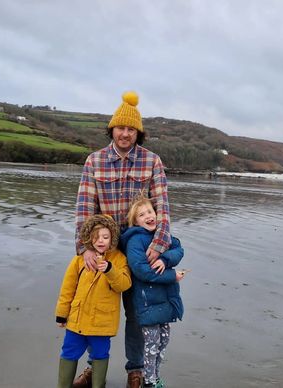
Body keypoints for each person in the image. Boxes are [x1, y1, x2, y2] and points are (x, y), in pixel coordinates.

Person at [74, 91, 171, 388]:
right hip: (104, 251)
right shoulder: (95, 161)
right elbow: (84, 210)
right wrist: (85, 249)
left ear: (138, 133)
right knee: (97, 310)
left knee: (136, 314)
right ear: (112, 129)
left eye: (131, 129)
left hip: (139, 251)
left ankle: (136, 370)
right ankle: (94, 367)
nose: (125, 133)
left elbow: (164, 210)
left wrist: (156, 249)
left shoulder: (153, 162)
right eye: (120, 128)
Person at [55, 214, 132, 388]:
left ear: (112, 237)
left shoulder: (119, 259)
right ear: (89, 238)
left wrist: (110, 270)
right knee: (68, 352)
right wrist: (61, 314)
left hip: (102, 323)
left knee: (100, 354)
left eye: (105, 237)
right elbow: (67, 289)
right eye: (96, 237)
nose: (100, 241)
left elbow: (124, 284)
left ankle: (98, 384)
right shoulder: (79, 259)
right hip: (77, 319)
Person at [120, 197, 185, 388]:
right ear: (135, 222)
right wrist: (171, 275)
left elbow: (179, 249)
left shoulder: (162, 235)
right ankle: (148, 382)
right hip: (147, 302)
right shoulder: (135, 240)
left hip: (165, 299)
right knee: (151, 345)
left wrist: (165, 260)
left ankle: (155, 377)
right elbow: (141, 271)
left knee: (163, 341)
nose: (148, 216)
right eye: (142, 214)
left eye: (150, 211)